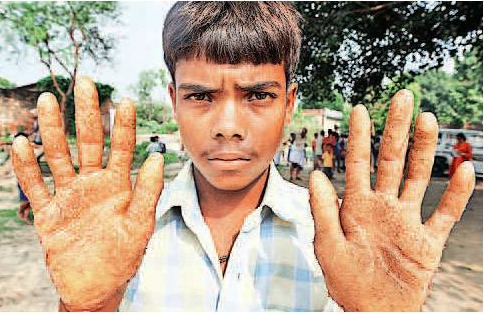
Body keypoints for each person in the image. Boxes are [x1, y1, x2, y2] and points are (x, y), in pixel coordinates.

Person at [11, 2, 476, 312]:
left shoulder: (345, 241)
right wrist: (87, 306)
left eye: (258, 95)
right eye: (200, 96)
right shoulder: (116, 231)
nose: (228, 125)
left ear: (290, 102)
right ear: (173, 100)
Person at [14, 132, 34, 224]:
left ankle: (26, 217)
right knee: (25, 200)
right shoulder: (17, 151)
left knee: (31, 199)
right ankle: (20, 212)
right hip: (22, 178)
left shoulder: (27, 149)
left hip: (30, 177)